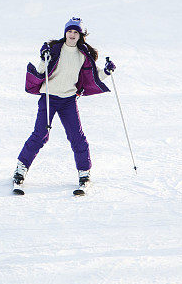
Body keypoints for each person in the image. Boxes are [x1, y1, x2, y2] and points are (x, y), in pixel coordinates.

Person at [13, 17, 116, 192]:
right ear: (65, 33)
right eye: (70, 31)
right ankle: (21, 169)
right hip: (49, 98)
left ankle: (84, 172)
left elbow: (93, 77)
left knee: (77, 136)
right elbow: (40, 71)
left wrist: (106, 71)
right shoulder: (54, 50)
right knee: (40, 134)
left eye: (76, 32)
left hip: (68, 100)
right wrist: (43, 57)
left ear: (81, 35)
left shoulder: (83, 55)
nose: (72, 35)